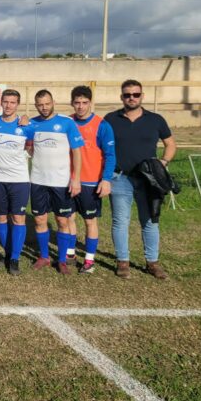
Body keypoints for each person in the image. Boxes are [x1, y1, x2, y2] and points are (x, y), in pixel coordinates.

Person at [104, 79, 176, 280]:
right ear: (121, 97)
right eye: (127, 95)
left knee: (150, 221)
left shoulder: (156, 119)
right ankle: (123, 262)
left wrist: (164, 162)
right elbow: (101, 145)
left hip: (148, 180)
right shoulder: (111, 119)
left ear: (142, 96)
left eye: (136, 94)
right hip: (120, 178)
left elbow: (170, 144)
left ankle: (152, 262)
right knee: (120, 221)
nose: (131, 98)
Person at [28, 89, 83, 275]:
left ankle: (62, 260)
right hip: (37, 180)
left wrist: (75, 179)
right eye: (40, 105)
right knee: (39, 219)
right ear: (36, 105)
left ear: (54, 102)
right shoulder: (32, 124)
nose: (44, 107)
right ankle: (44, 256)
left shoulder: (67, 123)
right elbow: (28, 146)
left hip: (61, 181)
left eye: (47, 103)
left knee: (62, 220)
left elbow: (77, 152)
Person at [68, 85, 116, 274]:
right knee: (68, 218)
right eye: (77, 103)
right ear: (72, 103)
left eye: (84, 103)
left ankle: (89, 260)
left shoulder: (101, 124)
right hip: (69, 180)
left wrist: (106, 179)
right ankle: (70, 254)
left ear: (90, 103)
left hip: (90, 182)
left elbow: (110, 155)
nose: (80, 106)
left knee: (90, 221)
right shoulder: (67, 122)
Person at [0, 90, 32, 276]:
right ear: (1, 103)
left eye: (13, 102)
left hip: (19, 180)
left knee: (18, 218)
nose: (8, 105)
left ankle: (15, 259)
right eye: (5, 101)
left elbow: (33, 144)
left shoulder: (26, 125)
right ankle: (7, 253)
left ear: (17, 104)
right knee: (1, 218)